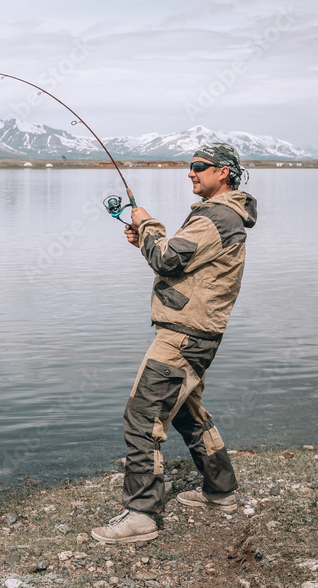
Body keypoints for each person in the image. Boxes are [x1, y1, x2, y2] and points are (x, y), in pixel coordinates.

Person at [91, 142, 258, 544]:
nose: (191, 173)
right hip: (197, 332)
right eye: (191, 166)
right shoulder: (222, 215)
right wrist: (146, 242)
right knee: (185, 414)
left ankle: (141, 516)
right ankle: (221, 494)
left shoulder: (215, 216)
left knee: (142, 416)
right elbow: (176, 260)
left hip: (184, 336)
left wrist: (149, 226)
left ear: (224, 173)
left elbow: (167, 260)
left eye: (199, 167)